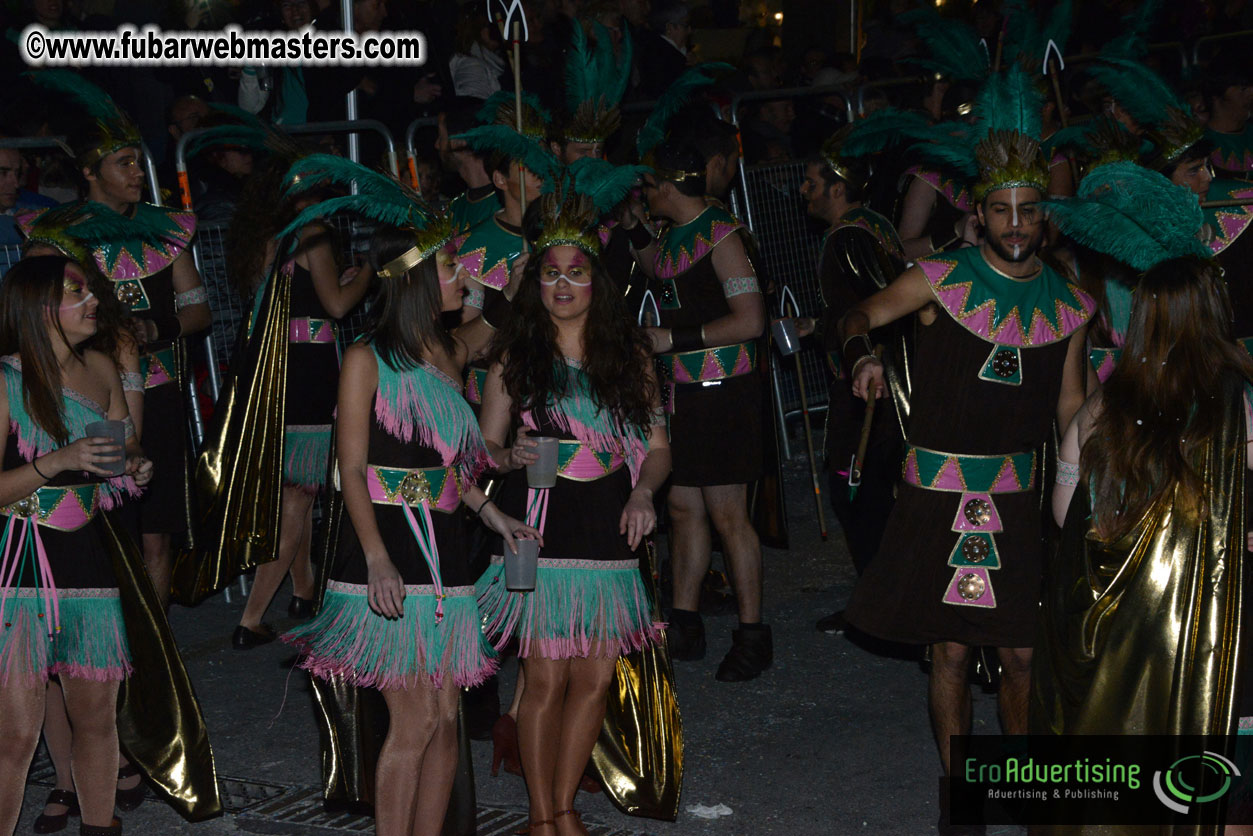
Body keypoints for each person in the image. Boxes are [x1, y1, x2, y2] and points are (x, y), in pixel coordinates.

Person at [839, 70, 1092, 835]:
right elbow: (859, 312)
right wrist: (861, 355)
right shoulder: (938, 279)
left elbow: (1071, 405)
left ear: (1043, 216)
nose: (1015, 223)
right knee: (946, 654)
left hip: (1016, 500)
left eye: (1027, 209)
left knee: (1020, 658)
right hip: (934, 497)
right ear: (977, 216)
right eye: (1000, 210)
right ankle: (963, 794)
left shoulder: (1071, 302)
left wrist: (1091, 481)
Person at [283, 189, 537, 836]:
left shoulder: (449, 356)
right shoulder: (365, 358)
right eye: (452, 268)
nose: (462, 277)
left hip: (447, 549)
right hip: (386, 547)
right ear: (419, 279)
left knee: (446, 717)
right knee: (414, 720)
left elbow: (451, 468)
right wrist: (374, 559)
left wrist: (492, 515)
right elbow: (350, 471)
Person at [476, 179, 671, 836]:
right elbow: (484, 448)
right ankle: (540, 818)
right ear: (535, 282)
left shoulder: (630, 353)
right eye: (551, 273)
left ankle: (561, 807)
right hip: (538, 523)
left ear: (596, 281)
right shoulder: (515, 353)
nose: (563, 285)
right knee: (546, 678)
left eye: (576, 273)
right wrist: (508, 454)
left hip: (609, 520)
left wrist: (644, 492)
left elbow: (657, 447)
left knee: (593, 679)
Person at [25, 71, 211, 610]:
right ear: (89, 173)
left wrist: (158, 328)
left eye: (138, 160)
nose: (138, 172)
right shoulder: (61, 234)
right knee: (105, 525)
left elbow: (198, 310)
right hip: (90, 397)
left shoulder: (165, 229)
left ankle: (154, 654)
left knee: (158, 530)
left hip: (159, 391)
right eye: (124, 163)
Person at [0, 254, 153, 836]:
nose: (94, 301)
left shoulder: (101, 370)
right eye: (76, 293)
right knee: (14, 735)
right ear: (41, 311)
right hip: (20, 565)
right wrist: (56, 461)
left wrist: (135, 465)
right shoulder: (6, 380)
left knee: (96, 720)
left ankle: (100, 826)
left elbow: (124, 444)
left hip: (89, 558)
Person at [633, 138, 772, 682]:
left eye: (648, 186)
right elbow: (659, 267)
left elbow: (751, 320)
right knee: (684, 510)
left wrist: (672, 338)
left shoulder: (722, 234)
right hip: (684, 393)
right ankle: (685, 622)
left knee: (728, 515)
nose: (645, 194)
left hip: (724, 392)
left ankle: (753, 633)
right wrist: (626, 227)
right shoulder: (675, 235)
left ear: (669, 185)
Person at [224, 153, 374, 649]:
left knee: (299, 492)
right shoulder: (313, 235)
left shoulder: (265, 240)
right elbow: (335, 306)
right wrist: (367, 275)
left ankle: (304, 588)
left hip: (271, 378)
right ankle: (251, 618)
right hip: (309, 378)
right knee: (295, 502)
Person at [793, 142, 907, 634]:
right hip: (876, 376)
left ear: (839, 188)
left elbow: (869, 309)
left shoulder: (848, 238)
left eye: (813, 183)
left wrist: (832, 333)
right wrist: (816, 325)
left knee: (855, 488)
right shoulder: (876, 225)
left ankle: (881, 606)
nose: (803, 192)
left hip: (867, 383)